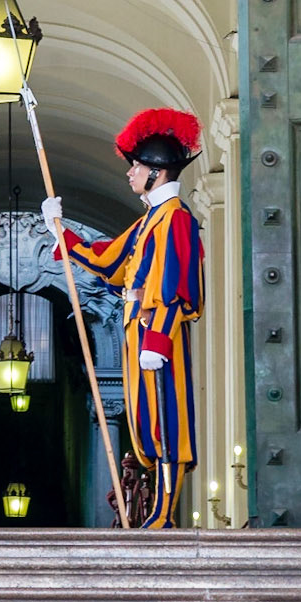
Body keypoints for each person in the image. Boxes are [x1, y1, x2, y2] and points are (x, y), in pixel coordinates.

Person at [42, 107, 204, 530]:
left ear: (158, 172)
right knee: (146, 422)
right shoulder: (150, 219)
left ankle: (164, 513)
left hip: (156, 332)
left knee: (167, 421)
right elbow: (110, 262)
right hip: (138, 330)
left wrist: (159, 339)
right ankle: (157, 510)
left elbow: (175, 285)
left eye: (137, 167)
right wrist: (60, 231)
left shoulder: (176, 218)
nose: (130, 173)